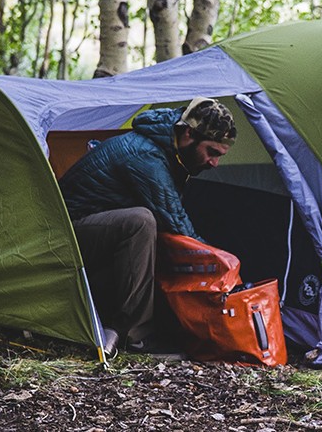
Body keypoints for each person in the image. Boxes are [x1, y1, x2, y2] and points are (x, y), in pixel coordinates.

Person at [58, 97, 237, 356]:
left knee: (152, 230)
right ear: (188, 133)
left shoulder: (170, 151)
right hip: (65, 241)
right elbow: (178, 225)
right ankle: (134, 333)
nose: (214, 163)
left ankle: (142, 325)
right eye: (211, 152)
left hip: (95, 244)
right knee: (141, 222)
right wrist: (223, 268)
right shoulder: (145, 155)